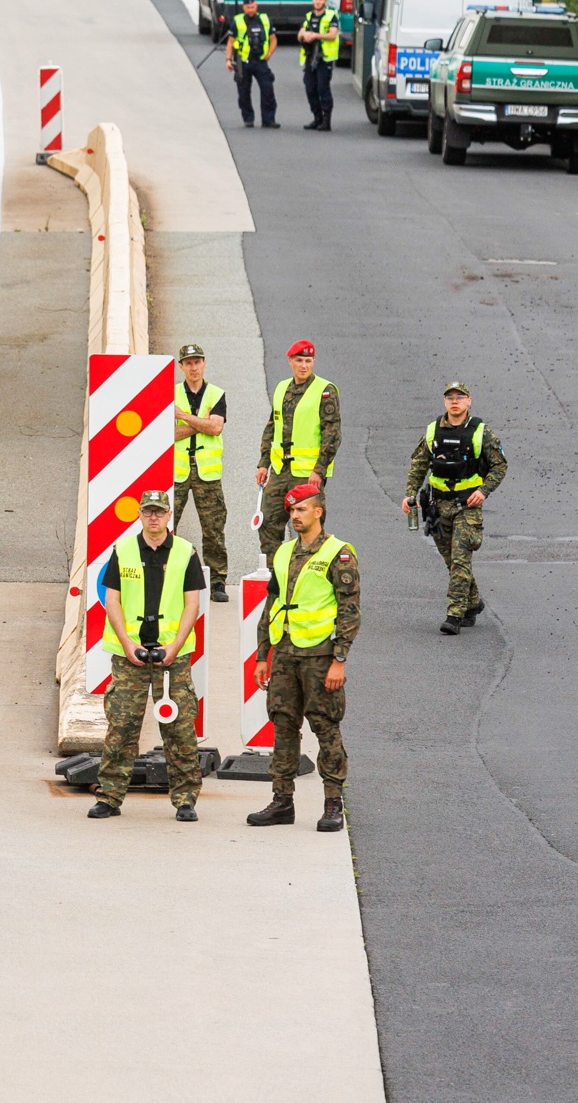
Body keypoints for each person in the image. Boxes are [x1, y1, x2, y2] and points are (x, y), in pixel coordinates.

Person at [86, 490, 205, 822]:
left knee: (180, 729)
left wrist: (175, 647)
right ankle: (109, 797)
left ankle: (185, 799)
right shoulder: (123, 551)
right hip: (130, 657)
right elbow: (112, 600)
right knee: (121, 727)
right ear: (140, 514)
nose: (154, 517)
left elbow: (192, 604)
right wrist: (126, 644)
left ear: (169, 516)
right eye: (148, 512)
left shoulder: (184, 552)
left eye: (159, 512)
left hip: (173, 656)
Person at [248, 483, 358, 832]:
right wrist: (262, 654)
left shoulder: (339, 554)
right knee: (283, 725)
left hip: (319, 657)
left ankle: (332, 804)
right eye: (292, 511)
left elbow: (350, 611)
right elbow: (271, 605)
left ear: (318, 512)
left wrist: (339, 659)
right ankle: (282, 801)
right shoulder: (283, 553)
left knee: (325, 726)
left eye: (301, 510)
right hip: (284, 653)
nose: (294, 516)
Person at [402, 381, 509, 635]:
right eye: (450, 397)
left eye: (460, 397)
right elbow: (419, 464)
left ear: (469, 401)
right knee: (451, 561)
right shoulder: (432, 431)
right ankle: (473, 603)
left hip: (467, 508)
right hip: (438, 508)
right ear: (444, 402)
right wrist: (410, 495)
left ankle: (455, 614)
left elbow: (500, 465)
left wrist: (483, 491)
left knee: (460, 559)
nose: (455, 401)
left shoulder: (480, 432)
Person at [255, 340, 339, 560]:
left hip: (307, 475)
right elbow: (272, 426)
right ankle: (276, 573)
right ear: (290, 361)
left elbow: (332, 434)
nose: (304, 365)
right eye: (299, 360)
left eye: (308, 361)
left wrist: (319, 471)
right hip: (280, 470)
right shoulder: (282, 388)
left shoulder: (325, 390)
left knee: (308, 526)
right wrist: (264, 463)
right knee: (268, 521)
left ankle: (307, 571)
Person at [171, 342, 229, 603]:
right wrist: (201, 424)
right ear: (181, 367)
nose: (193, 367)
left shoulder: (216, 394)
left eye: (197, 362)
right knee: (166, 524)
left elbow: (216, 429)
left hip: (207, 473)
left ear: (204, 363)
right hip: (178, 471)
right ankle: (164, 575)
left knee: (213, 528)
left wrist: (184, 416)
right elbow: (168, 433)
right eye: (188, 363)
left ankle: (217, 580)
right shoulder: (170, 394)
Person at [226, 0, 278, 129]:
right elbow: (230, 42)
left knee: (268, 90)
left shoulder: (265, 20)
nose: (251, 10)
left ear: (256, 6)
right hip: (243, 62)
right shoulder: (237, 21)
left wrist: (270, 53)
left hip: (260, 61)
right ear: (244, 7)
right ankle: (248, 118)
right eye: (248, 7)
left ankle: (269, 120)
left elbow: (273, 39)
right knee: (243, 92)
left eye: (253, 7)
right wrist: (228, 60)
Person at [296, 0, 342, 131]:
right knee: (310, 88)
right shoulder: (309, 16)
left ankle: (326, 120)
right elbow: (299, 35)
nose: (318, 2)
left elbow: (332, 35)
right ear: (313, 1)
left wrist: (315, 35)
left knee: (323, 88)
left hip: (325, 58)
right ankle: (317, 118)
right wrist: (305, 35)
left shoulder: (331, 16)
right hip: (310, 58)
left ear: (325, 2)